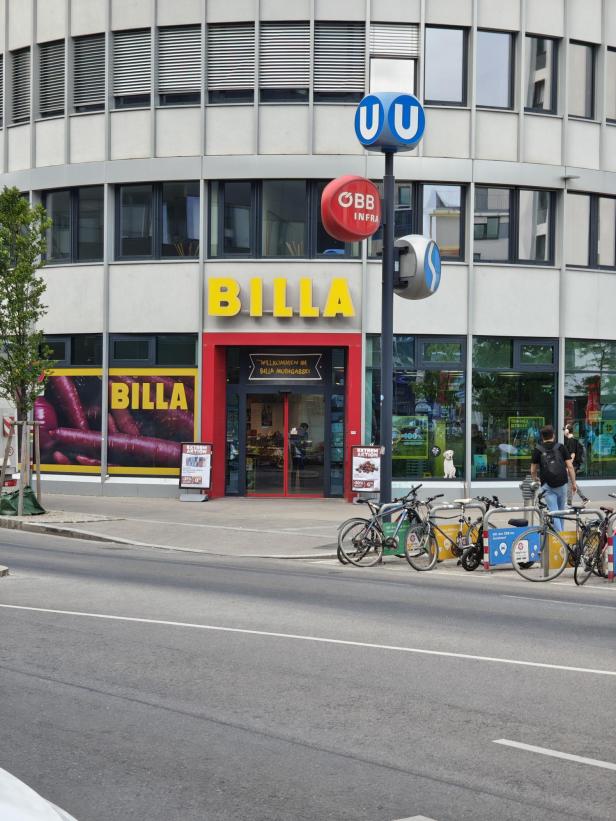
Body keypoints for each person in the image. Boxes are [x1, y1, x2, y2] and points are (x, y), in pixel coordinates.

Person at [530, 425, 576, 531]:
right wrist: (573, 483)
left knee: (554, 512)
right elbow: (570, 467)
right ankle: (562, 536)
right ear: (553, 435)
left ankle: (559, 539)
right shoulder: (561, 447)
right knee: (561, 511)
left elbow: (533, 470)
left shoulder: (538, 449)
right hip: (562, 483)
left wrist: (535, 479)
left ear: (542, 437)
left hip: (547, 484)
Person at [563, 424, 589, 506]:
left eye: (565, 429)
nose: (564, 431)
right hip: (574, 465)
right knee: (572, 482)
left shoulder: (571, 441)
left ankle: (569, 502)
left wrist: (568, 466)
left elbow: (572, 455)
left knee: (569, 483)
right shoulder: (573, 440)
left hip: (572, 465)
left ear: (567, 430)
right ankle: (584, 499)